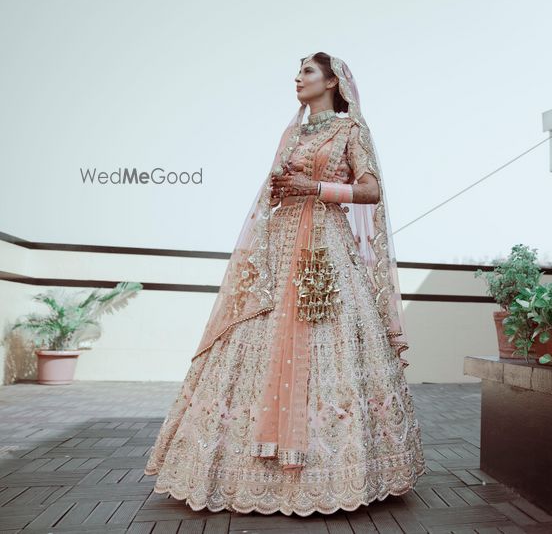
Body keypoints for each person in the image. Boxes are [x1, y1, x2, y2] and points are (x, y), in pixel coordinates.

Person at [144, 53, 426, 516]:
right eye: (297, 71)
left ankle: (342, 471)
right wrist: (283, 188)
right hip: (278, 246)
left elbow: (371, 190)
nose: (298, 78)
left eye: (308, 71)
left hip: (324, 249)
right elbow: (277, 185)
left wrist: (315, 189)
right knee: (255, 332)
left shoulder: (350, 130)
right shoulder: (292, 132)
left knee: (325, 337)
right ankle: (236, 470)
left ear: (333, 81)